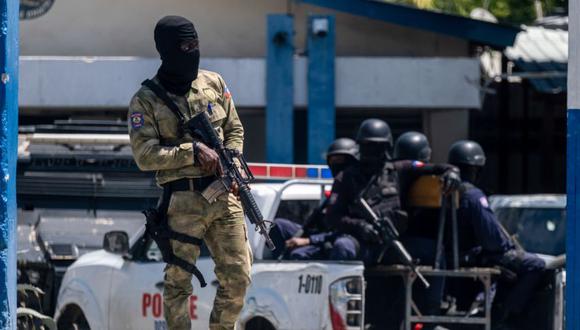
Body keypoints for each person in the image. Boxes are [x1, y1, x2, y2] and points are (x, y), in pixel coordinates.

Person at [128, 16, 251, 330]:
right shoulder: (147, 100)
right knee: (178, 282)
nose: (192, 52)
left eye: (196, 45)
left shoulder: (214, 83)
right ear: (167, 50)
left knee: (238, 278)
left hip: (224, 192)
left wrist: (232, 156)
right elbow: (144, 155)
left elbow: (234, 128)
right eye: (185, 46)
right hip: (182, 199)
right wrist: (192, 151)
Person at [447, 140, 546, 325]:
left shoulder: (445, 191)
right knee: (536, 265)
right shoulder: (473, 195)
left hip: (455, 257)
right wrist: (509, 247)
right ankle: (505, 317)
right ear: (476, 169)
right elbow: (493, 240)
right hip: (474, 257)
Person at [269, 138, 360, 260]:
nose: (337, 165)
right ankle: (278, 262)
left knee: (298, 255)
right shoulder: (336, 188)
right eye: (333, 161)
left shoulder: (359, 191)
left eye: (341, 160)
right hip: (319, 234)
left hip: (335, 239)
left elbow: (346, 229)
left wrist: (308, 240)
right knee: (277, 226)